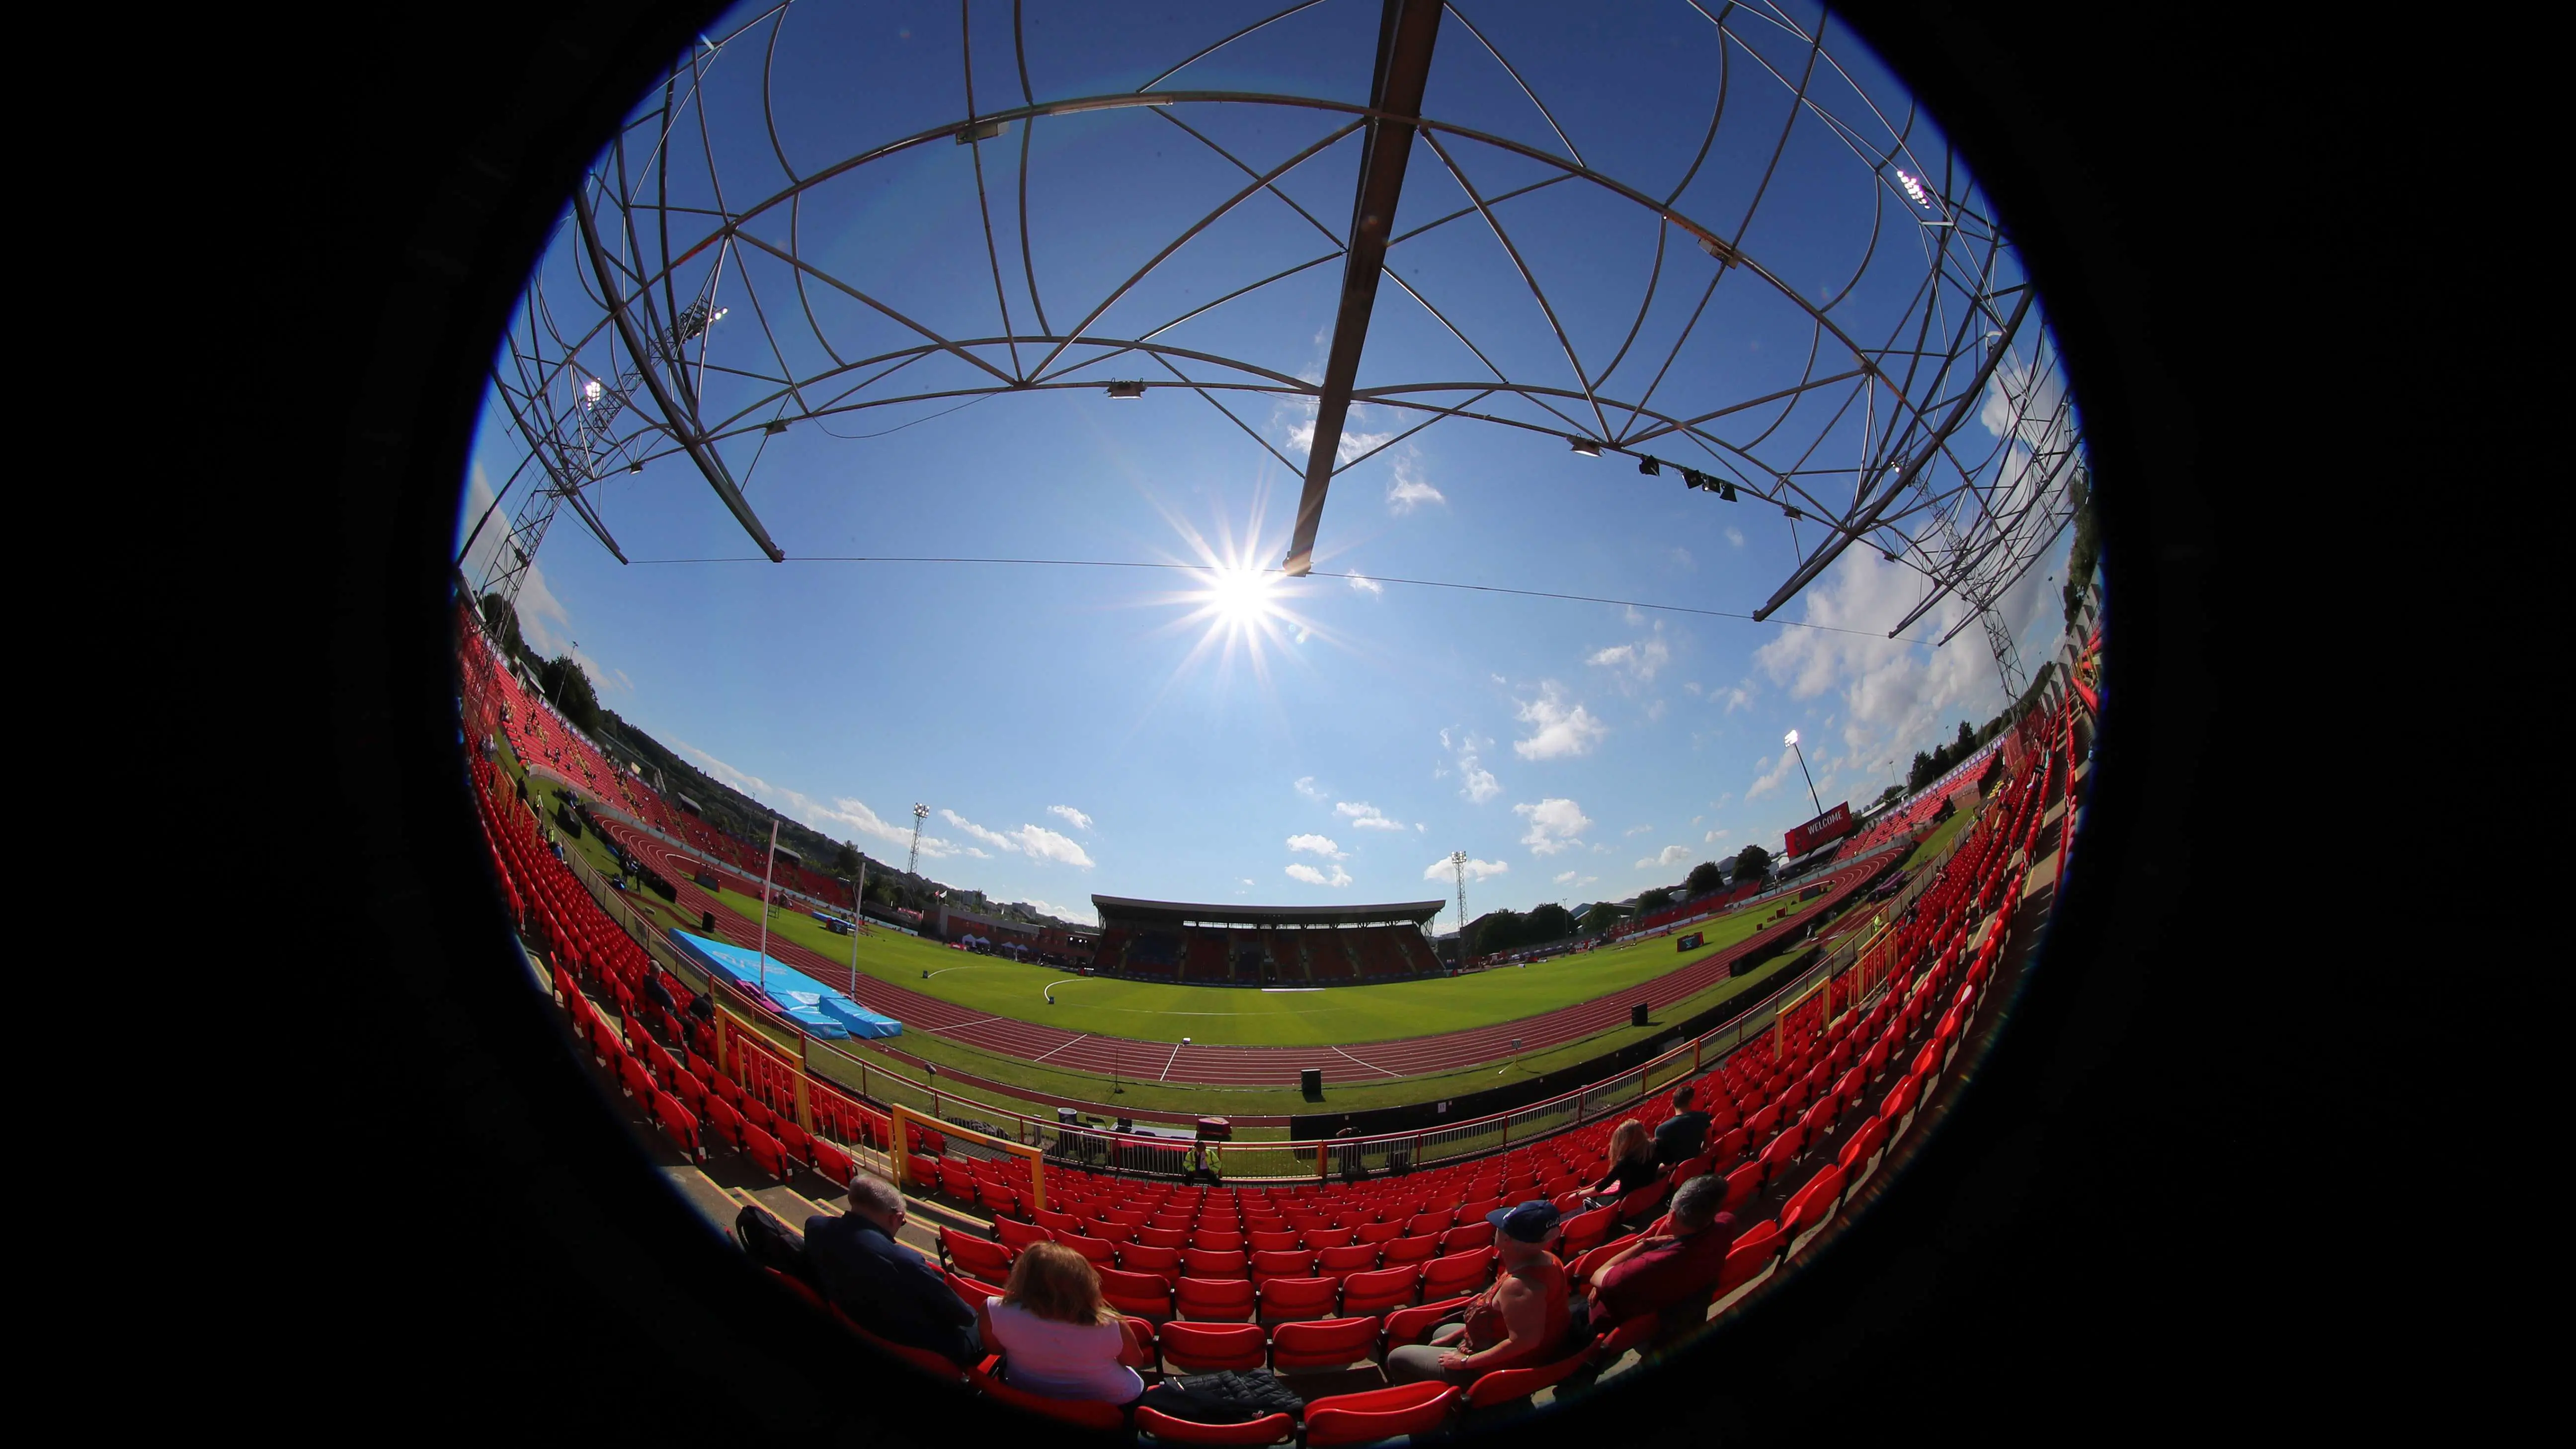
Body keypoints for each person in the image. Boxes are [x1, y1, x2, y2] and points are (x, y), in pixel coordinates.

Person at [1386, 1201, 1572, 1385]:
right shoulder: (1547, 1259)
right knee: (1441, 1332)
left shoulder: (1520, 1287)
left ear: (1507, 1239)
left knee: (1397, 1357)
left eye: (1499, 1227)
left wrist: (1465, 1362)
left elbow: (1524, 1342)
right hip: (1499, 1341)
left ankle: (1439, 1403)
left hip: (1497, 1370)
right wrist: (1455, 1335)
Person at [804, 1175, 981, 1368]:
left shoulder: (815, 1227)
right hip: (916, 1346)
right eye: (902, 1223)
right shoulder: (904, 1261)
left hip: (853, 1320)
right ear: (895, 1218)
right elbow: (964, 1315)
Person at [975, 1241, 1150, 1404]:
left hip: (1026, 1390)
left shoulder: (992, 1309)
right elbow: (1135, 1361)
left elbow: (995, 1349)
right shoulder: (1109, 1324)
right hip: (1108, 1403)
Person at [1585, 1174, 1739, 1337]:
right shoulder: (1727, 1224)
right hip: (1682, 1305)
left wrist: (1646, 1244)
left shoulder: (1650, 1264)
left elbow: (1597, 1276)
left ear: (1671, 1217)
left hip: (1607, 1321)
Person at [1587, 1120, 1660, 1207]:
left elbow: (1600, 1188)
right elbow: (1671, 1164)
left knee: (1587, 1198)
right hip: (1647, 1196)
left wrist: (1577, 1194)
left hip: (1626, 1203)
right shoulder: (1655, 1148)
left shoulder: (1625, 1163)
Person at [1652, 1087, 1712, 1168]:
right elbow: (1708, 1141)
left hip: (1675, 1173)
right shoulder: (1703, 1117)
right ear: (1690, 1102)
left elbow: (1666, 1162)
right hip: (1697, 1167)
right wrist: (1699, 1156)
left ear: (1673, 1104)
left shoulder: (1662, 1130)